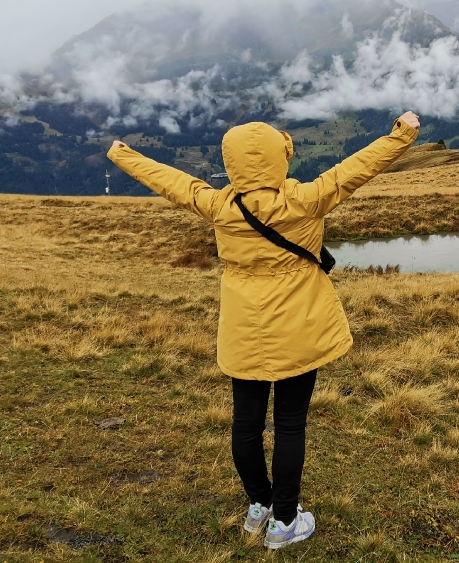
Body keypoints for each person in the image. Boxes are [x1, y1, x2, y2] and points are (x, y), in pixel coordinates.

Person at [106, 111, 420, 549]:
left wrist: (123, 154)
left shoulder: (218, 205)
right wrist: (403, 133)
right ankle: (285, 522)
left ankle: (259, 507)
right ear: (280, 157)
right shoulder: (308, 199)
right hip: (299, 325)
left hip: (243, 328)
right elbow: (360, 166)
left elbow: (170, 182)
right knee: (291, 425)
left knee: (246, 422)